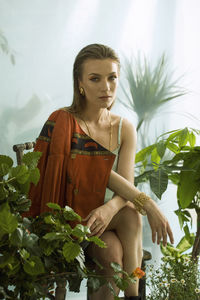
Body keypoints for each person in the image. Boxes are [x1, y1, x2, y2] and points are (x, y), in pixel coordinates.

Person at [28, 43, 174, 300]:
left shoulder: (124, 128)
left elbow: (124, 186)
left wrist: (108, 210)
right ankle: (135, 295)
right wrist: (149, 205)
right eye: (95, 79)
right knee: (131, 215)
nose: (106, 87)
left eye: (112, 77)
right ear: (80, 83)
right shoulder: (63, 121)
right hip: (69, 215)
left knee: (113, 250)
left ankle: (132, 294)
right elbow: (96, 171)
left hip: (108, 220)